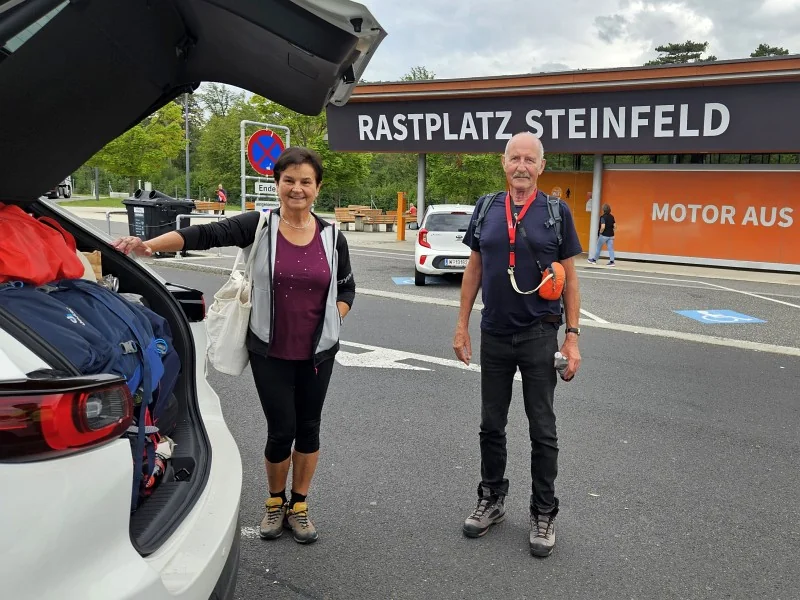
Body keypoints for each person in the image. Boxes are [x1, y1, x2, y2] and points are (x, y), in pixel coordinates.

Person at [112, 147, 355, 545]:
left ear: (318, 187)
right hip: (270, 351)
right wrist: (150, 246)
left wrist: (336, 317)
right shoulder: (259, 225)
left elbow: (346, 287)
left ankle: (299, 504)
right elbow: (207, 234)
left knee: (309, 428)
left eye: (305, 182)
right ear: (277, 184)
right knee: (282, 430)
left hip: (318, 353)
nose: (297, 188)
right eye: (289, 180)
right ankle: (275, 502)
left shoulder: (332, 236)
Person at [452, 131, 583, 558]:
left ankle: (544, 511)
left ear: (542, 166)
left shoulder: (556, 212)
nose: (521, 166)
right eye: (515, 158)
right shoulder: (486, 207)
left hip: (539, 334)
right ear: (504, 163)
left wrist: (572, 337)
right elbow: (474, 268)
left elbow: (570, 280)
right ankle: (491, 499)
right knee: (491, 425)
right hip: (494, 332)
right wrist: (462, 325)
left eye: (530, 159)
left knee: (542, 429)